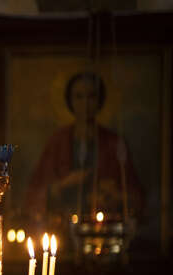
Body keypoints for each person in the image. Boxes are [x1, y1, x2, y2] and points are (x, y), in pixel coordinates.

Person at [25, 71, 143, 237]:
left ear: (100, 100)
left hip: (104, 233)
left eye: (91, 96)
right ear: (70, 101)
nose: (85, 103)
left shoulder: (114, 142)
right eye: (79, 97)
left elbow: (135, 197)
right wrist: (63, 185)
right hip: (62, 232)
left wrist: (114, 196)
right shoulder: (57, 142)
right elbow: (34, 194)